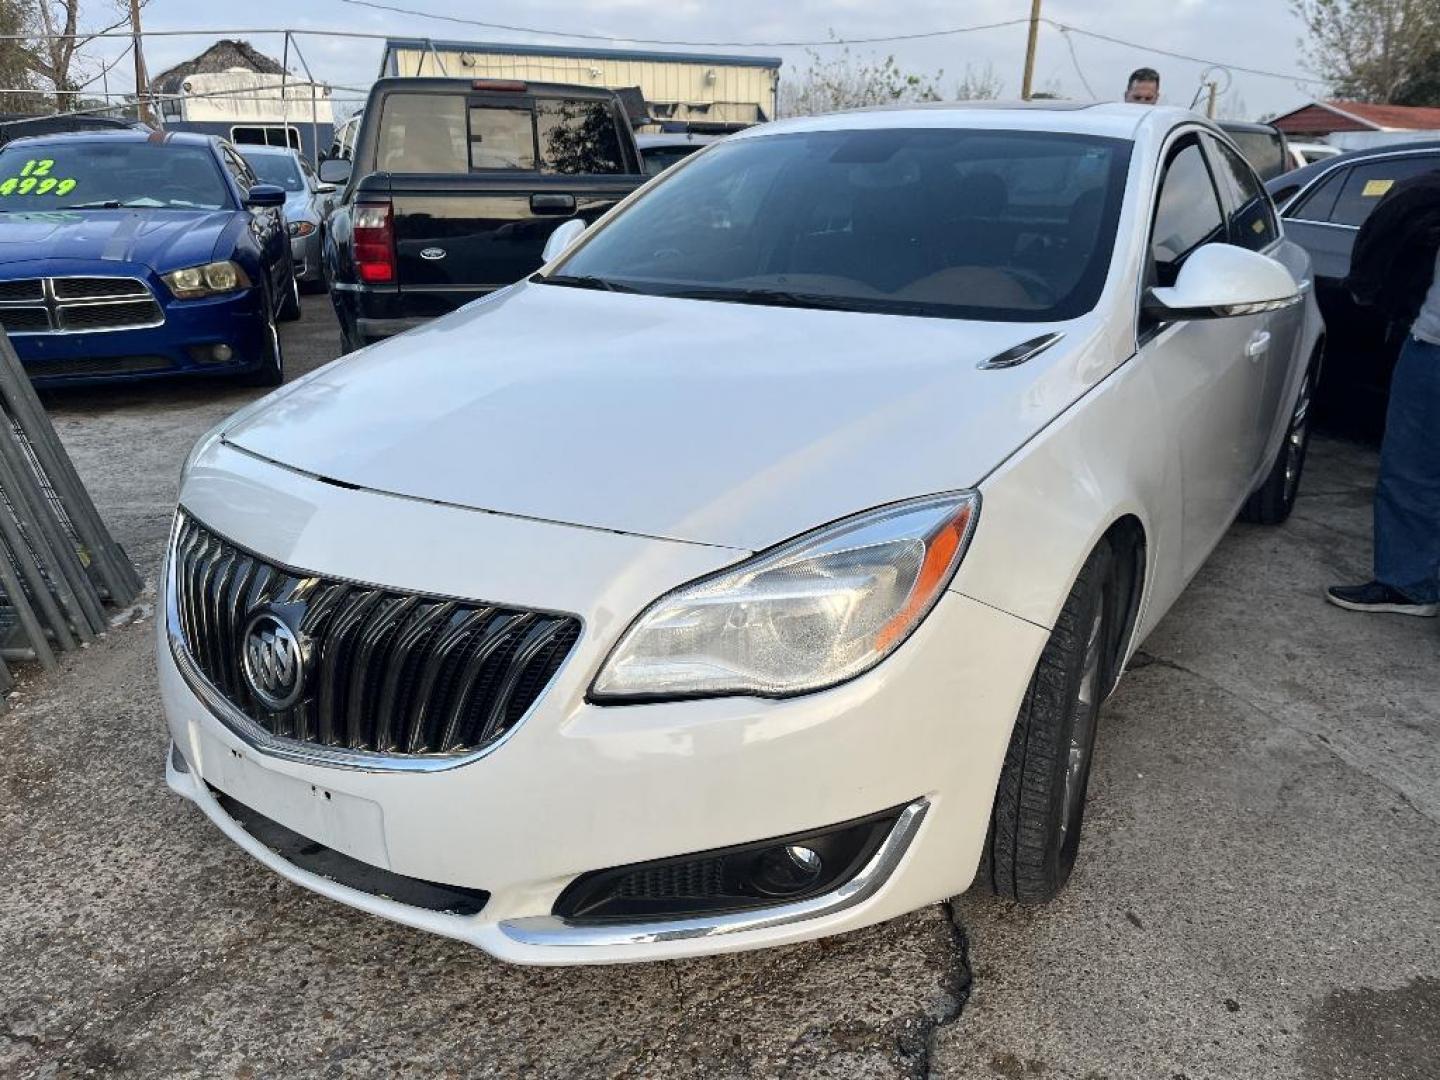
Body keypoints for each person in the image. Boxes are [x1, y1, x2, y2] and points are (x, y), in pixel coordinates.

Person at [1327, 168, 1440, 617]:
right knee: (1410, 470)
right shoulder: (1429, 191)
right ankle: (1409, 584)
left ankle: (1411, 582)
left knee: (1412, 470)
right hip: (1430, 345)